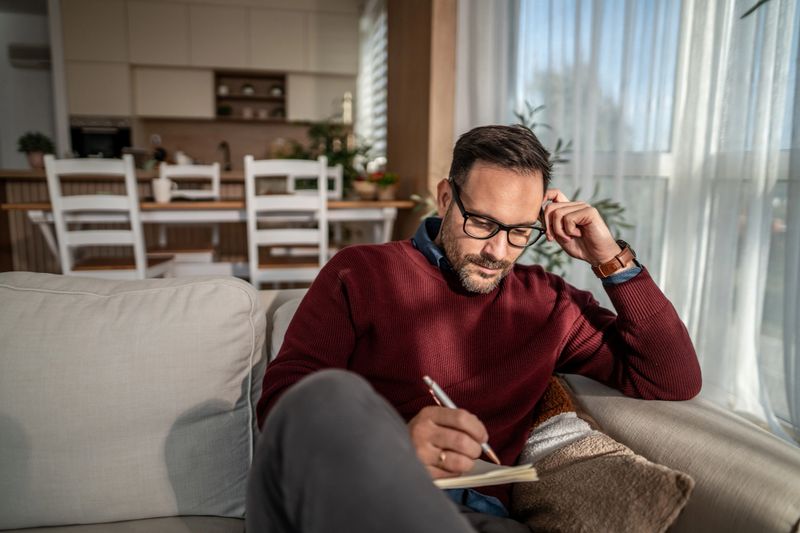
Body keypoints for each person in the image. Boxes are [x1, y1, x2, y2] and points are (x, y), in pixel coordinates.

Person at [246, 125, 702, 533]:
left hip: (476, 518)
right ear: (446, 198)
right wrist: (392, 447)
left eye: (520, 232)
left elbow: (671, 377)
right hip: (349, 496)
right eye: (482, 222)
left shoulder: (548, 305)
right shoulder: (362, 272)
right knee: (327, 394)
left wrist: (610, 259)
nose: (498, 252)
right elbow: (286, 404)